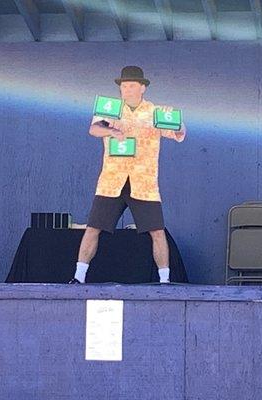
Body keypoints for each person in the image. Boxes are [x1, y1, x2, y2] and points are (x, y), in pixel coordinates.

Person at [69, 66, 187, 284]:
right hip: (112, 180)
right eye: (123, 86)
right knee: (93, 227)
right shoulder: (111, 109)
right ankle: (78, 277)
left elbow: (179, 133)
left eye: (132, 85)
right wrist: (111, 130)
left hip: (143, 182)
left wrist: (179, 123)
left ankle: (165, 281)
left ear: (142, 88)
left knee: (157, 231)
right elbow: (94, 129)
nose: (127, 90)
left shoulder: (154, 112)